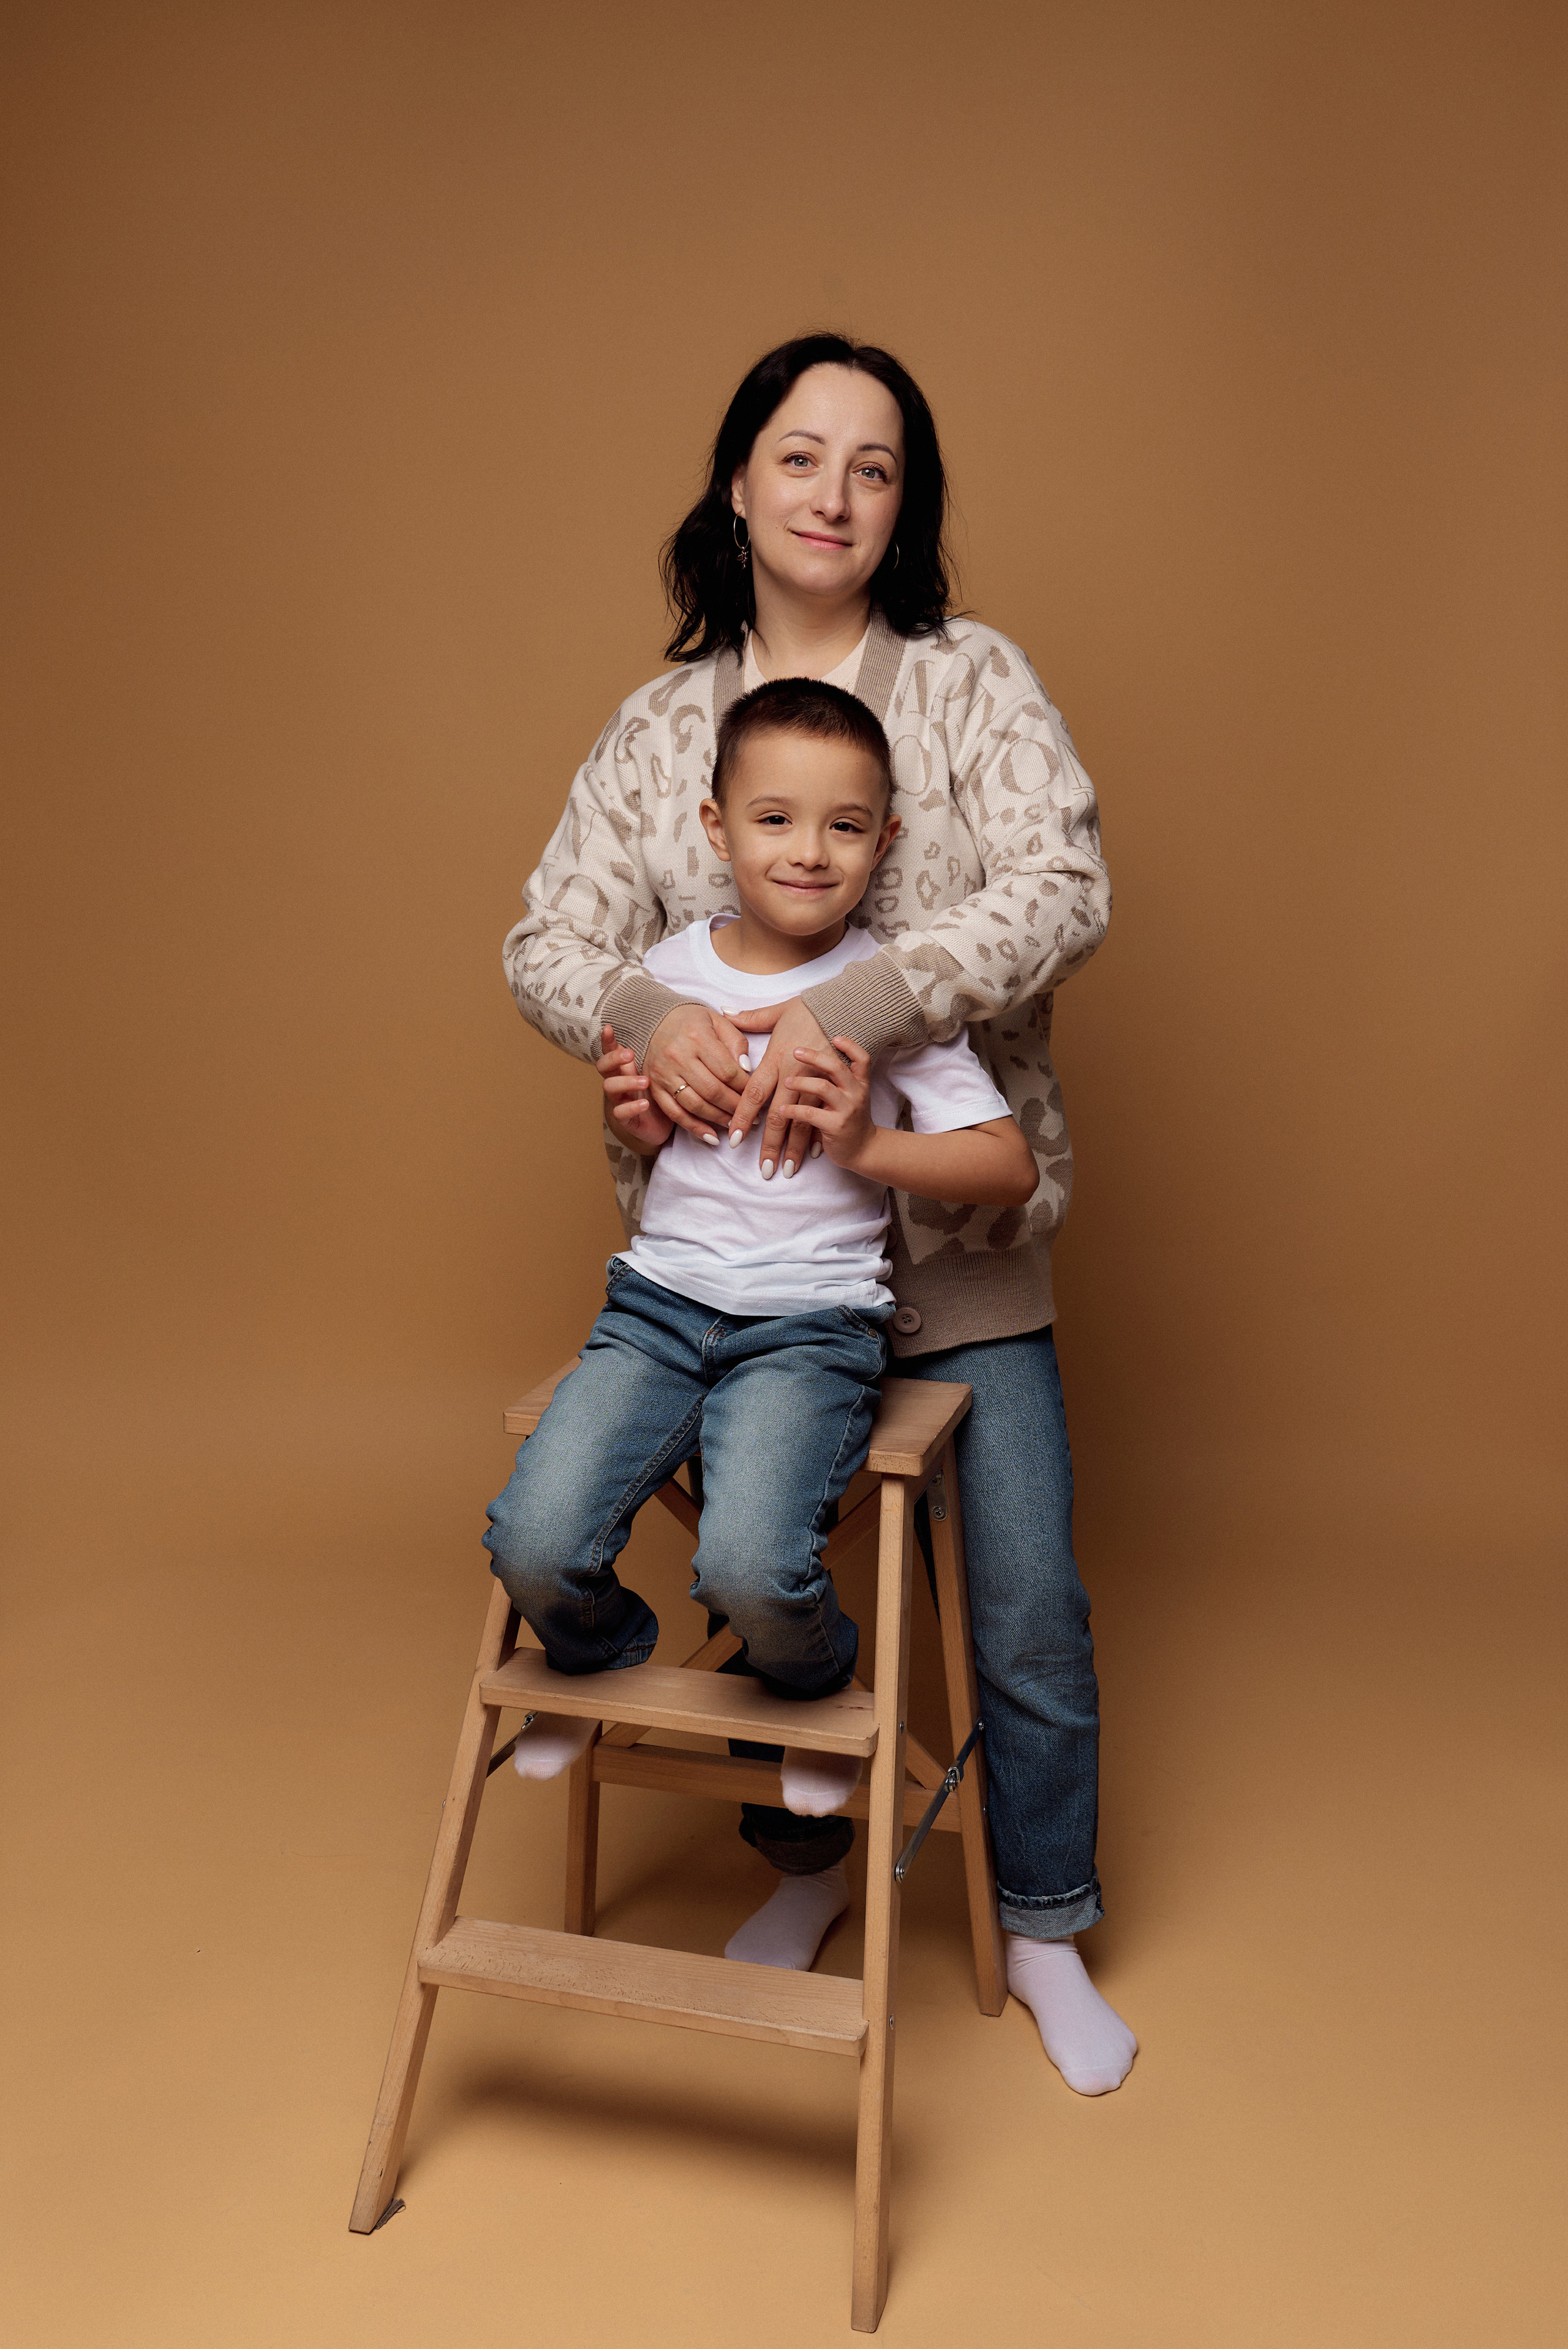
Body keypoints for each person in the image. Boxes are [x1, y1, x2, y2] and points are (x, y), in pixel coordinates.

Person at [503, 332, 1137, 2095]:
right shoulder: (655, 730)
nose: (835, 494)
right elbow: (548, 941)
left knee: (1020, 1602)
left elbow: (1065, 879)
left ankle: (1045, 1922)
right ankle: (805, 1869)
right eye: (801, 455)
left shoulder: (971, 681)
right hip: (741, 1258)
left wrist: (861, 1011)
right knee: (759, 1566)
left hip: (951, 1241)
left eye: (874, 466)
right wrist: (649, 1031)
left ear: (904, 503)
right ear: (738, 483)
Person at [484, 679, 1036, 1835]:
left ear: (884, 841)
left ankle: (814, 1682)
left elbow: (1007, 1166)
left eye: (845, 826)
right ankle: (597, 1665)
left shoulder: (878, 996)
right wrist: (640, 1117)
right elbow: (653, 1130)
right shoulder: (667, 982)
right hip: (658, 1310)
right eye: (774, 819)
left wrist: (867, 1139)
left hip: (808, 1330)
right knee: (534, 1545)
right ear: (714, 827)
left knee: (751, 1568)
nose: (808, 852)